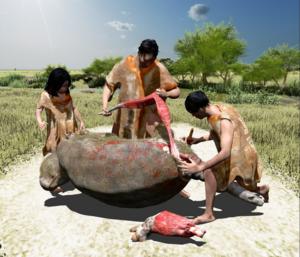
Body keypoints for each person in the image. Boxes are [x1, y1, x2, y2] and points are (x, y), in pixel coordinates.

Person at [177, 90, 269, 224]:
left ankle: (208, 214)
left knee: (209, 172)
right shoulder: (218, 108)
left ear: (201, 108)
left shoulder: (223, 120)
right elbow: (218, 133)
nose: (194, 116)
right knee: (246, 185)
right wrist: (197, 140)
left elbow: (225, 151)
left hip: (241, 157)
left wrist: (201, 166)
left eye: (194, 112)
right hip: (241, 152)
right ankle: (263, 190)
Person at [100, 39, 180, 139]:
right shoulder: (124, 65)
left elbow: (176, 91)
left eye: (148, 62)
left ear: (154, 58)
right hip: (124, 121)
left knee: (148, 151)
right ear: (139, 52)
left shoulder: (159, 69)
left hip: (148, 123)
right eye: (141, 59)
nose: (143, 63)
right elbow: (109, 85)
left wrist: (166, 94)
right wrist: (105, 106)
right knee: (121, 149)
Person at [35, 68, 85, 156]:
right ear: (54, 84)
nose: (65, 88)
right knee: (56, 151)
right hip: (55, 130)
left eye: (67, 85)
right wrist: (39, 121)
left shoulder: (67, 94)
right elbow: (39, 109)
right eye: (63, 86)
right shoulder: (46, 96)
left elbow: (73, 107)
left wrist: (81, 121)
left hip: (70, 127)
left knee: (71, 150)